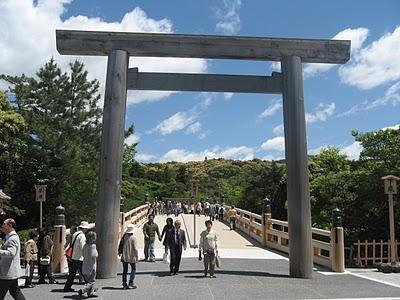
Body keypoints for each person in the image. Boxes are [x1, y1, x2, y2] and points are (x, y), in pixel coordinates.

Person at [0, 218, 26, 300]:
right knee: (15, 292)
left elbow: (11, 253)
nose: (2, 226)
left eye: (4, 224)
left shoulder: (12, 238)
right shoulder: (10, 237)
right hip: (10, 272)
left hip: (7, 272)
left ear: (10, 225)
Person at [63, 221, 89, 292]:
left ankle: (67, 287)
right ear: (84, 228)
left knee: (72, 274)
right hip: (80, 257)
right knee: (84, 273)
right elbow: (83, 247)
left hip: (74, 256)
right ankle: (90, 287)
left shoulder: (75, 234)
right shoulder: (82, 236)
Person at [78, 231, 98, 299]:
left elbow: (83, 254)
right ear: (92, 238)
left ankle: (90, 293)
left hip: (85, 265)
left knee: (88, 280)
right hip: (91, 266)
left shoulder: (85, 245)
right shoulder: (93, 246)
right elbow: (94, 255)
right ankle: (83, 290)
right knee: (91, 281)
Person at [118, 224, 138, 289]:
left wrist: (119, 252)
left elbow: (120, 244)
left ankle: (124, 284)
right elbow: (135, 249)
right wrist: (137, 256)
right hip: (131, 256)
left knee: (125, 270)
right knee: (133, 269)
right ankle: (131, 282)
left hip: (124, 255)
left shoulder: (124, 236)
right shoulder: (133, 238)